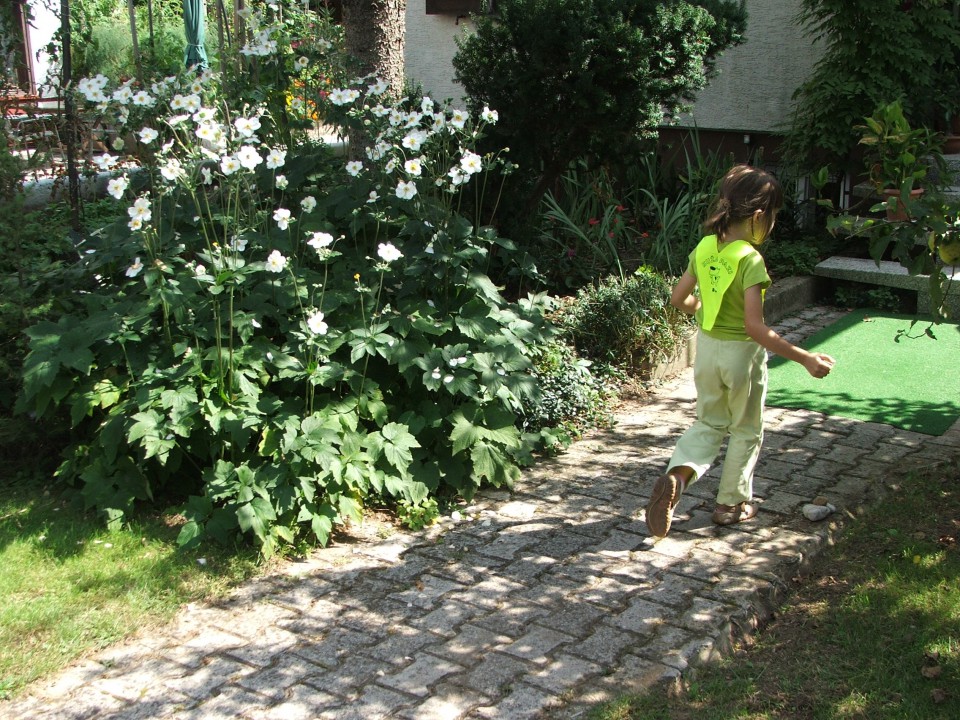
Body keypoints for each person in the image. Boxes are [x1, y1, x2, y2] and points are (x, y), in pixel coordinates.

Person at [645, 164, 835, 538]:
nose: (774, 223)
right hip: (740, 355)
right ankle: (730, 504)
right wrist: (805, 358)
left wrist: (699, 309)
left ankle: (678, 478)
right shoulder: (749, 259)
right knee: (746, 429)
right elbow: (755, 327)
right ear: (759, 216)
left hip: (707, 350)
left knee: (709, 422)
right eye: (774, 215)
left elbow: (679, 297)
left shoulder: (704, 247)